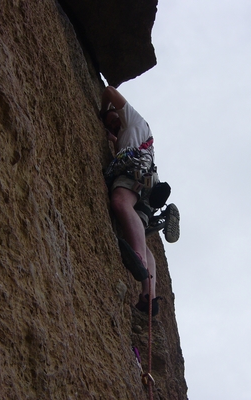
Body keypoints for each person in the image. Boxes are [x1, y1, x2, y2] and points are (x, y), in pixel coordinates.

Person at [100, 86, 161, 316]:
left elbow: (108, 90)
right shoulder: (124, 137)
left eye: (114, 118)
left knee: (119, 201)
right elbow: (120, 141)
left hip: (135, 172)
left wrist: (103, 110)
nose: (113, 123)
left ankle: (137, 256)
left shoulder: (132, 118)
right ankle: (149, 297)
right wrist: (112, 135)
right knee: (139, 235)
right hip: (147, 183)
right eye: (110, 124)